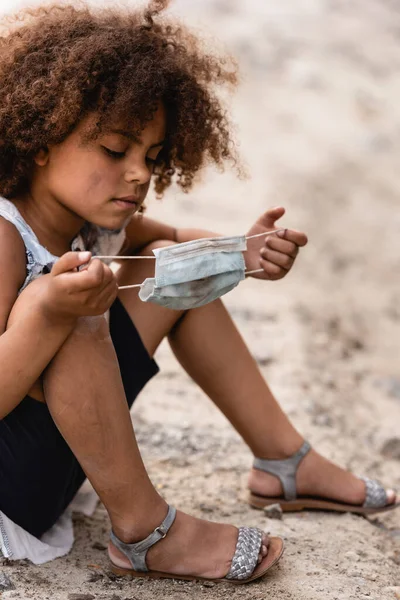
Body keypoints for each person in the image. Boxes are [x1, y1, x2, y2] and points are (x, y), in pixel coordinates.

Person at [0, 0, 396, 586]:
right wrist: (48, 313)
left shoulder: (98, 228)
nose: (138, 174)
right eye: (115, 150)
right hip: (12, 486)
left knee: (172, 266)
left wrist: (245, 252)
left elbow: (179, 240)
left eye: (152, 158)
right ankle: (146, 530)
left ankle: (284, 459)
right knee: (71, 304)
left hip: (58, 464)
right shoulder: (6, 235)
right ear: (41, 139)